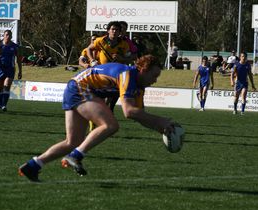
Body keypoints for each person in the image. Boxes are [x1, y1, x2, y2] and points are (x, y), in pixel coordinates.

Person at [18, 55, 176, 182]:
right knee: (110, 125)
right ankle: (75, 156)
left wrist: (159, 127)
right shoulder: (127, 75)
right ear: (143, 70)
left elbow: (139, 115)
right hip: (80, 87)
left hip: (75, 87)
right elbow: (129, 112)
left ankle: (33, 166)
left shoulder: (138, 87)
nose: (155, 80)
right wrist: (161, 121)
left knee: (72, 142)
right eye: (154, 75)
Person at [0, 30, 22, 112]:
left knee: (6, 86)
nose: (8, 36)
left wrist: (20, 71)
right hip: (0, 69)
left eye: (10, 35)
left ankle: (4, 106)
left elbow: (19, 60)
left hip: (10, 69)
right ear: (4, 35)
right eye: (7, 35)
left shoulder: (15, 46)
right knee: (0, 88)